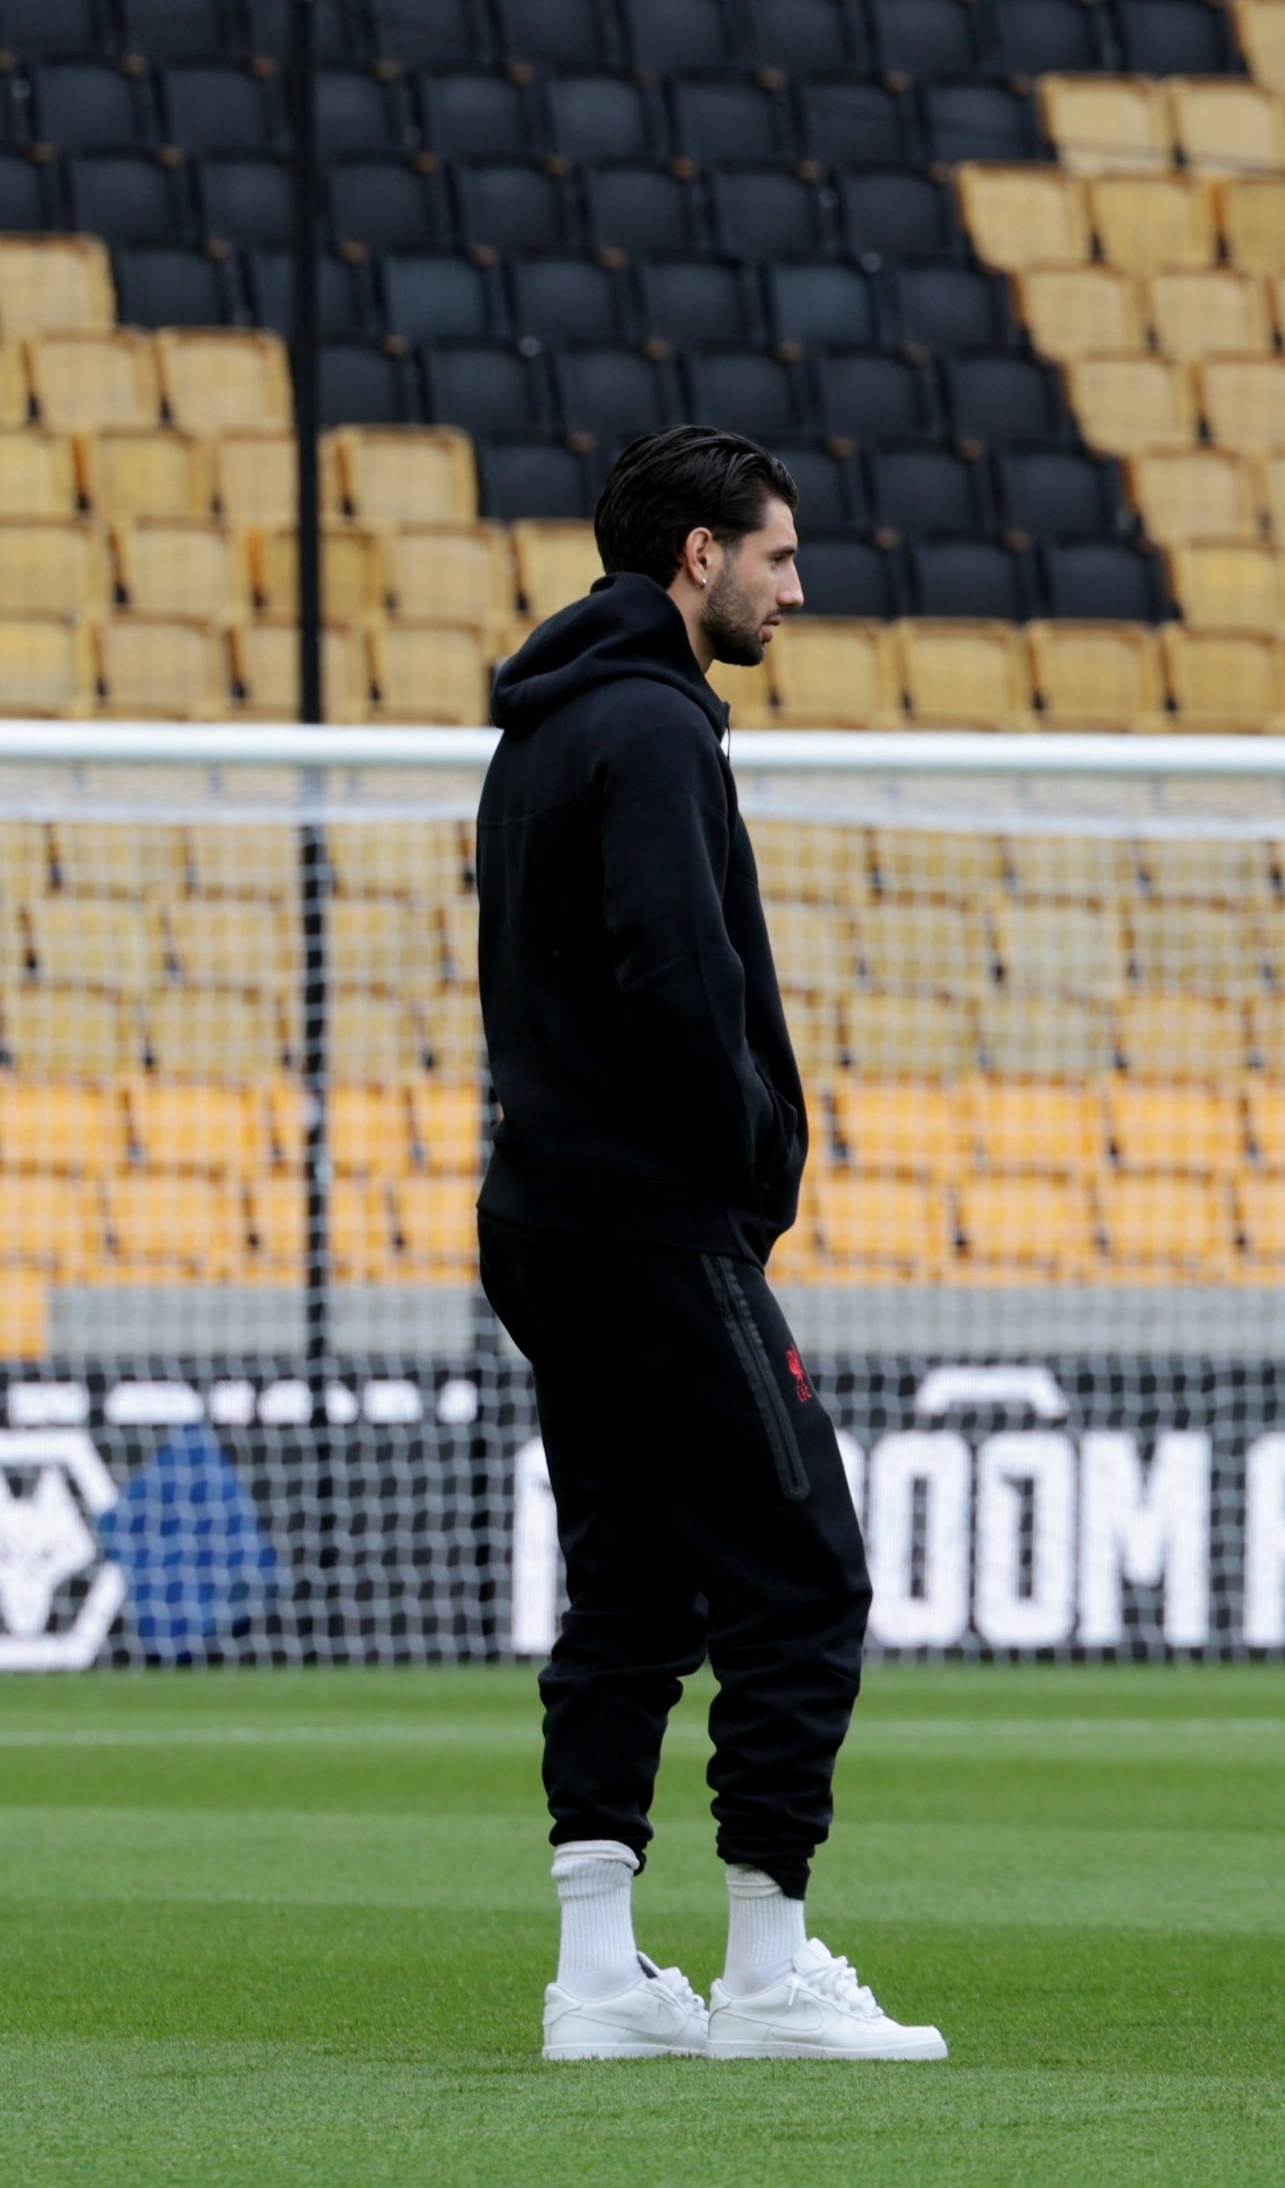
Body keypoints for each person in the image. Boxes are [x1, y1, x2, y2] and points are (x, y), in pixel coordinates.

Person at [476, 423, 940, 2065]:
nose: (793, 588)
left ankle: (598, 1976)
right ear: (699, 557)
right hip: (648, 1219)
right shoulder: (654, 730)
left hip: (545, 1212)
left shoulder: (540, 725)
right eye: (777, 556)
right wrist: (749, 1156)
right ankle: (768, 1967)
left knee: (627, 1575)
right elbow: (679, 977)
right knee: (803, 1561)